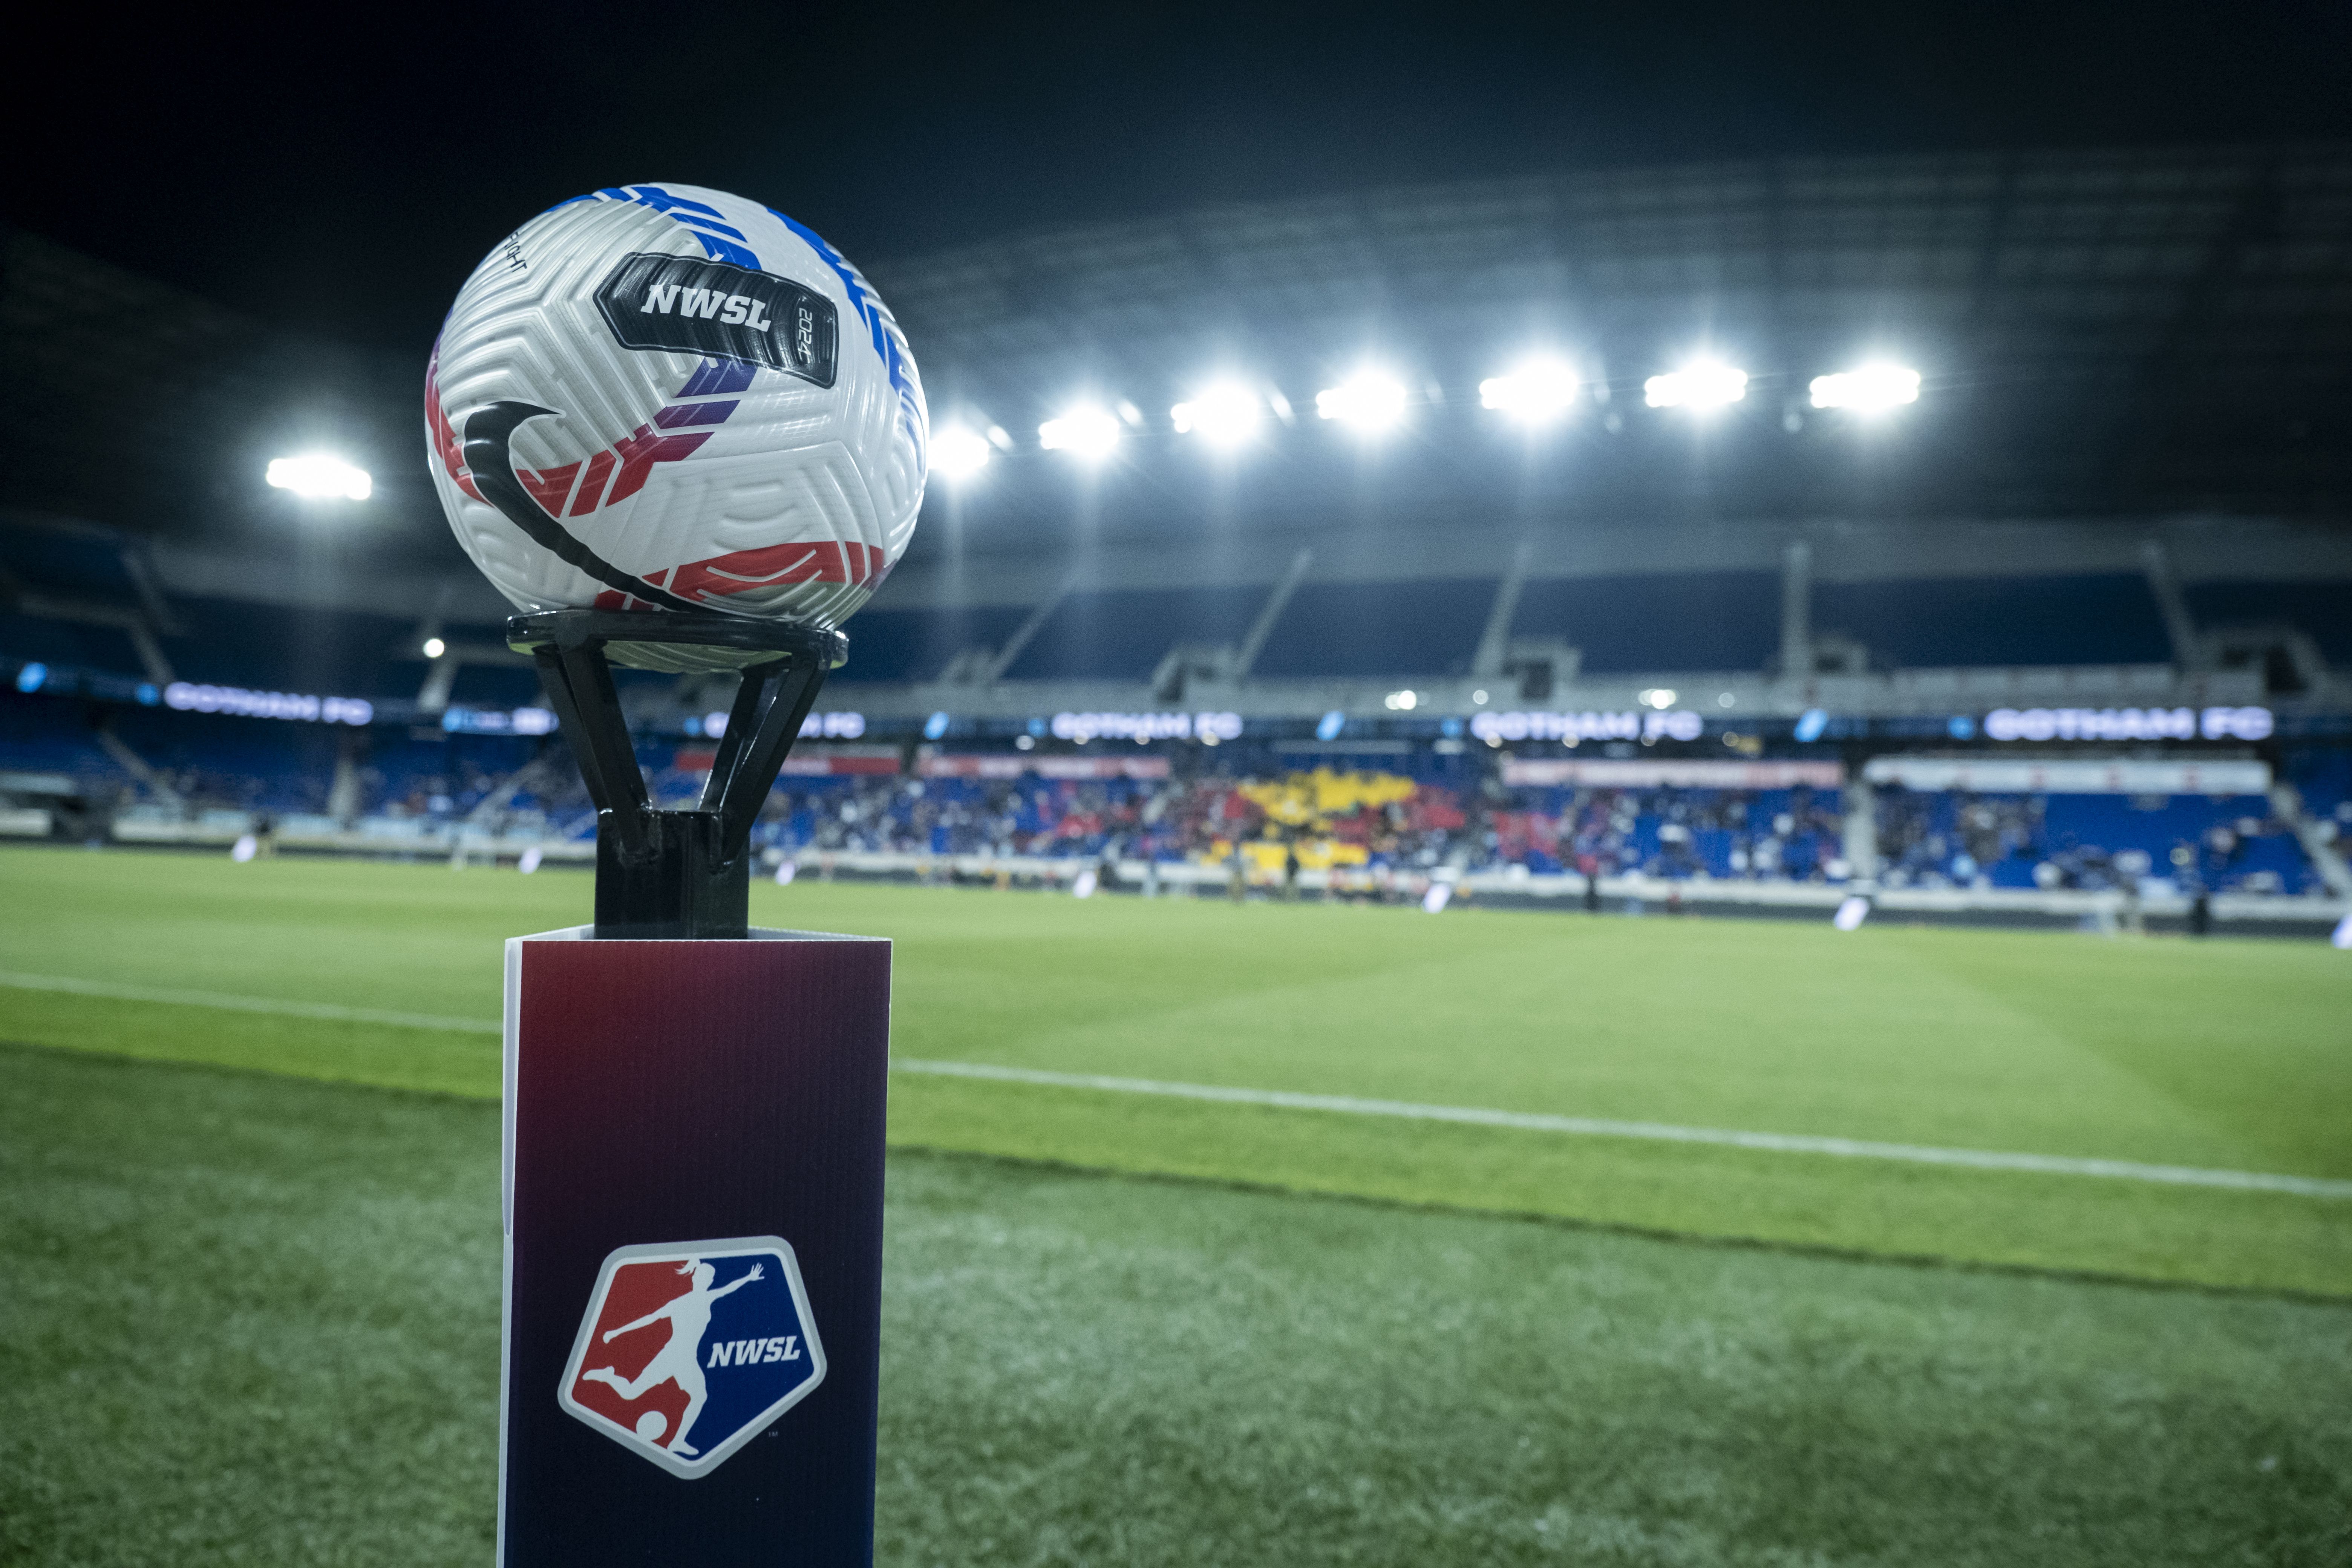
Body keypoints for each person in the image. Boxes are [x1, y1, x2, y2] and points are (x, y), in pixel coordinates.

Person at [581, 1258, 763, 1456]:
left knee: (700, 1396)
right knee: (630, 1394)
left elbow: (729, 1288)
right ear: (695, 1279)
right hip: (670, 1356)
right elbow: (649, 1319)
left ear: (710, 1281)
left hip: (687, 1361)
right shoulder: (679, 1303)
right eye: (702, 1276)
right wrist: (616, 1332)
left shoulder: (708, 1298)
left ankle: (677, 1441)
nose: (706, 1281)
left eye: (709, 1278)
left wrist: (748, 1278)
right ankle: (609, 1376)